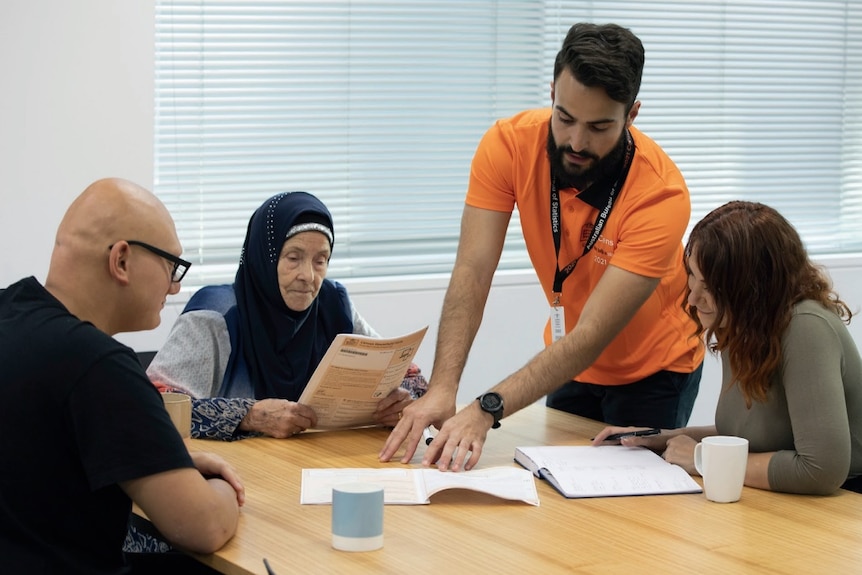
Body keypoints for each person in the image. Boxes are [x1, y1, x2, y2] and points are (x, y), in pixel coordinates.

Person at [380, 22, 704, 471]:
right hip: (569, 360)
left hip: (654, 371)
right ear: (552, 93)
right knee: (557, 500)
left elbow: (592, 333)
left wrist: (487, 407)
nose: (576, 142)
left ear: (632, 116)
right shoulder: (509, 144)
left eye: (599, 127)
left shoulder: (661, 196)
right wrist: (442, 387)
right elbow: (472, 270)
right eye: (565, 117)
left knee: (629, 515)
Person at [0, 178, 244, 573]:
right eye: (171, 265)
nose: (176, 286)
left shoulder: (9, 311)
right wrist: (221, 490)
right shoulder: (98, 364)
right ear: (122, 260)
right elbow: (205, 526)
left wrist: (160, 461)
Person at [593, 201, 862, 495]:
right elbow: (750, 436)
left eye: (710, 287)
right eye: (692, 275)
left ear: (754, 289)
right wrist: (656, 438)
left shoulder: (806, 328)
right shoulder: (745, 323)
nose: (693, 298)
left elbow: (821, 470)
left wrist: (702, 459)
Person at [146, 191, 427, 441]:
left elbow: (412, 381)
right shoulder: (216, 314)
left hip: (321, 464)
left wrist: (402, 400)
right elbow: (151, 406)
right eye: (293, 258)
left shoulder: (332, 304)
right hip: (242, 476)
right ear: (264, 258)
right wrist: (248, 415)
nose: (308, 276)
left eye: (321, 261)